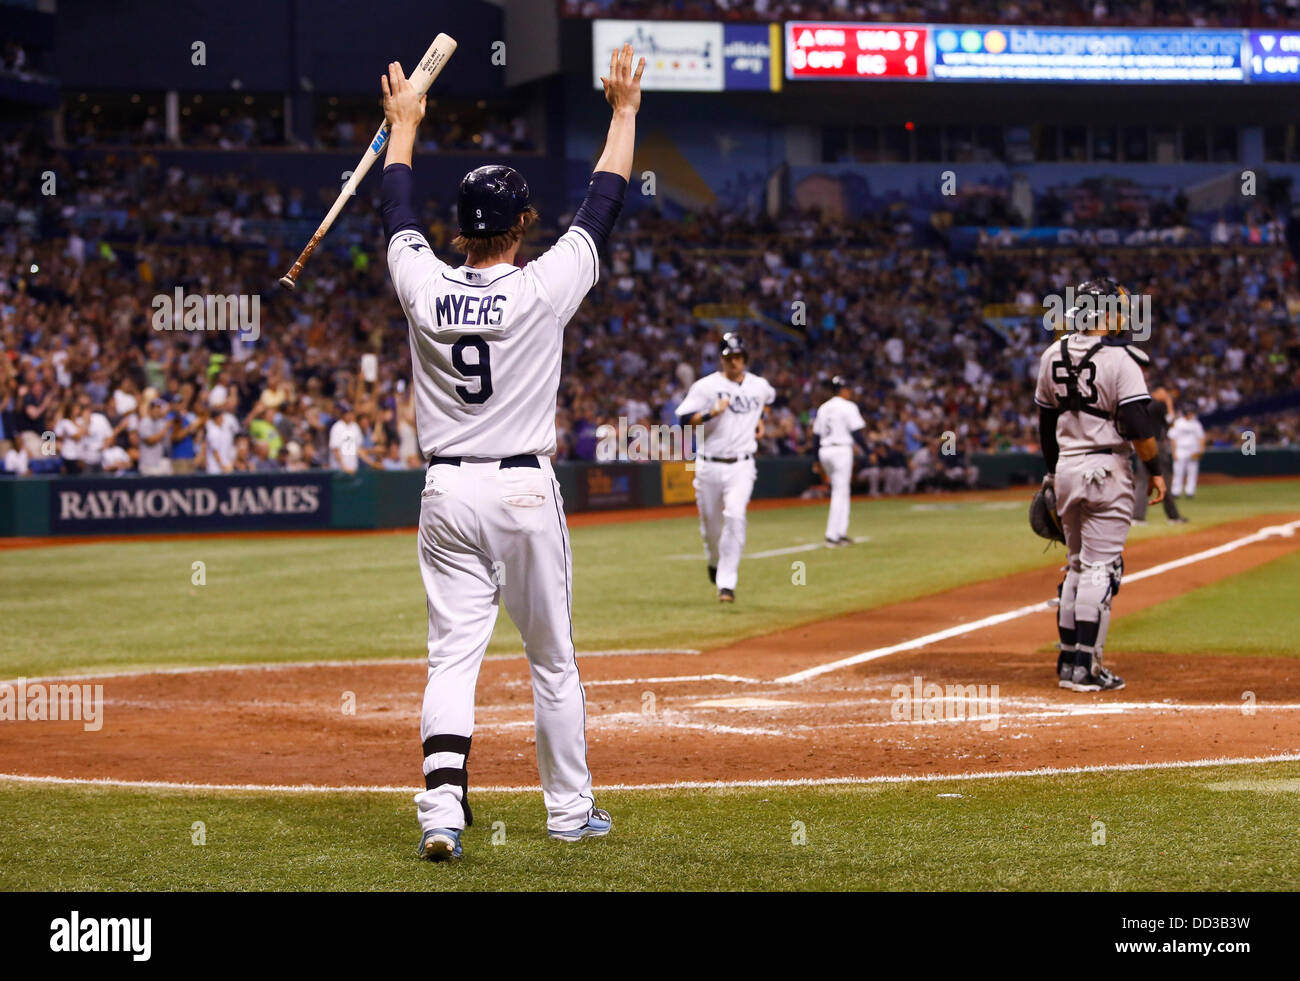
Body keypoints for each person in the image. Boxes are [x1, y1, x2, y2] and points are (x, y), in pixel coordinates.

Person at [380, 44, 643, 860]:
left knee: (451, 659)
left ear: (458, 227)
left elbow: (394, 212)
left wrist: (404, 128)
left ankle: (441, 809)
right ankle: (568, 811)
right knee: (553, 661)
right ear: (523, 224)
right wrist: (625, 112)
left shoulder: (422, 284)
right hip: (524, 491)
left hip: (446, 493)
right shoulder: (541, 288)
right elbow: (603, 202)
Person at [1035, 278, 1166, 693]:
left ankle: (1069, 663)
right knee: (1102, 567)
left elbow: (1045, 423)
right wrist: (1156, 469)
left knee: (1076, 564)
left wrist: (1053, 475)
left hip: (1068, 468)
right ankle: (1087, 668)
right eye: (1121, 308)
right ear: (1105, 312)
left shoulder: (1051, 353)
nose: (1126, 315)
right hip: (1107, 469)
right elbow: (1136, 423)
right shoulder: (1121, 360)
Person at [674, 332, 775, 602]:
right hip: (708, 465)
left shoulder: (759, 385)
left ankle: (726, 584)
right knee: (711, 527)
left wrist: (760, 420)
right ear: (721, 358)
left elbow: (768, 401)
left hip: (742, 465)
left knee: (735, 516)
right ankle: (714, 560)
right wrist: (711, 413)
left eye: (739, 357)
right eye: (730, 357)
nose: (735, 362)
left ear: (745, 358)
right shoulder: (705, 387)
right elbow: (683, 421)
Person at [812, 375, 868, 546]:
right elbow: (857, 433)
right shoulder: (848, 406)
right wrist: (868, 451)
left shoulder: (823, 408)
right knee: (839, 491)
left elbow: (815, 436)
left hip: (824, 450)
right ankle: (832, 534)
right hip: (841, 450)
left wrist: (816, 459)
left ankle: (840, 532)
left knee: (841, 490)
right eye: (848, 389)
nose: (849, 392)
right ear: (842, 390)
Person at [1131, 384, 1185, 524]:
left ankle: (1137, 517)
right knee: (1164, 479)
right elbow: (1171, 420)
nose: (1167, 394)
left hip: (1142, 444)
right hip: (1156, 445)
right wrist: (1169, 403)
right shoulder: (1159, 404)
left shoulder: (1142, 403)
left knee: (1142, 481)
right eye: (1165, 392)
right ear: (1158, 391)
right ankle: (1173, 516)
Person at [1169, 407, 1207, 499]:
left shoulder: (1196, 423)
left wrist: (1201, 450)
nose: (1192, 414)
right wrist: (1174, 452)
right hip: (1180, 449)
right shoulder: (1178, 423)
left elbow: (1201, 437)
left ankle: (1190, 492)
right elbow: (1172, 438)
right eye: (1190, 412)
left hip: (1193, 450)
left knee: (1192, 472)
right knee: (1178, 472)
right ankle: (1176, 492)